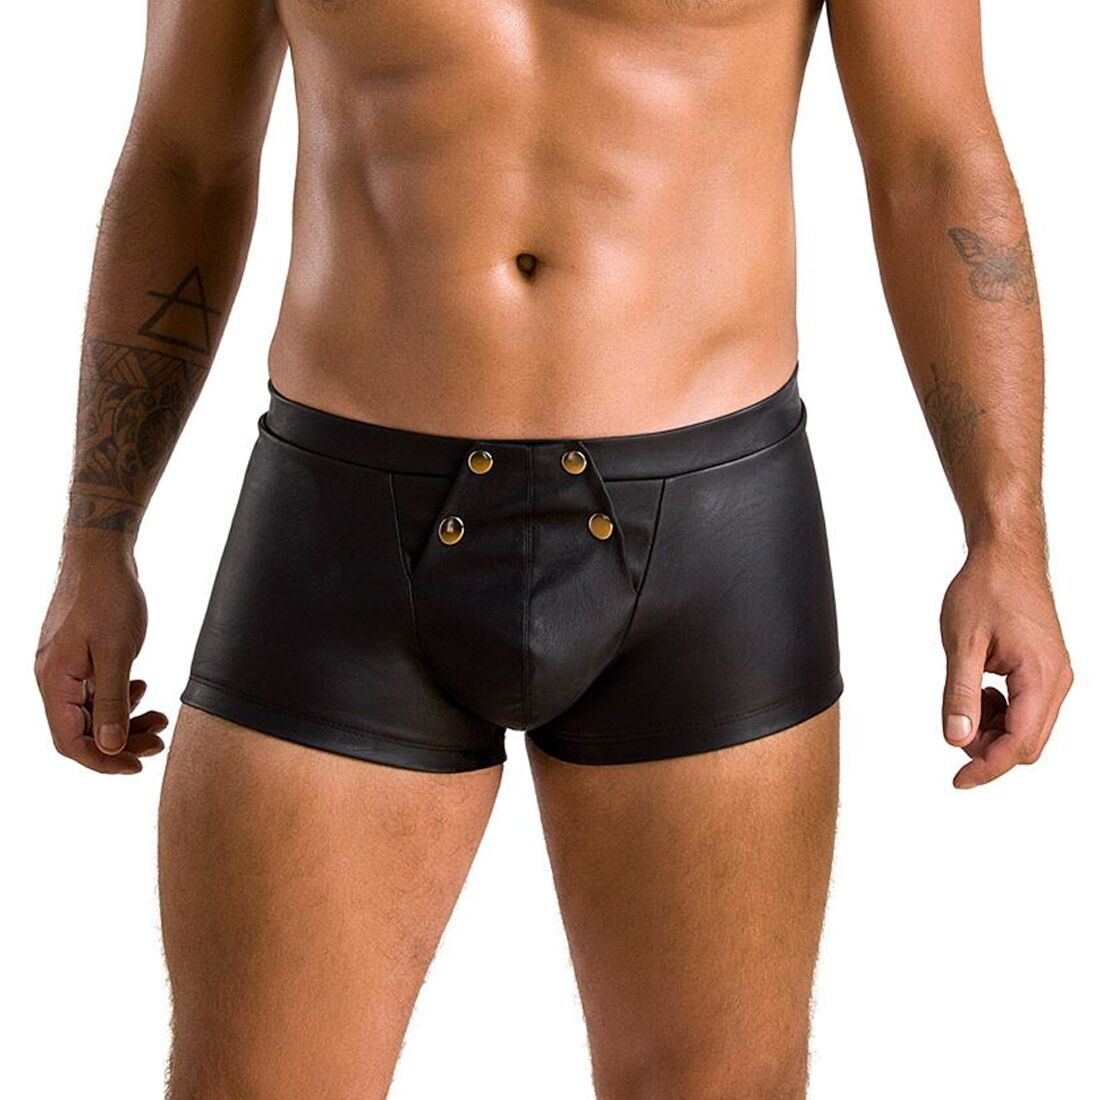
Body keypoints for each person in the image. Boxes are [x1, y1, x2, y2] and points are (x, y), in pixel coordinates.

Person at [34, 1, 1073, 1096]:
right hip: (343, 526)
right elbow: (185, 157)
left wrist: (1005, 536)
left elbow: (932, 159)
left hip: (706, 535)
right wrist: (98, 537)